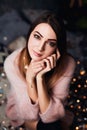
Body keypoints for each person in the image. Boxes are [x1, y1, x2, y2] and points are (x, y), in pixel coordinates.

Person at [4, 11, 76, 130]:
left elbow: (51, 116)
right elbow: (29, 114)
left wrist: (39, 78)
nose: (40, 47)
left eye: (50, 43)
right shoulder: (12, 62)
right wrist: (30, 78)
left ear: (57, 48)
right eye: (37, 37)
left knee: (51, 125)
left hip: (50, 114)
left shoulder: (67, 63)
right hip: (23, 113)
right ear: (29, 34)